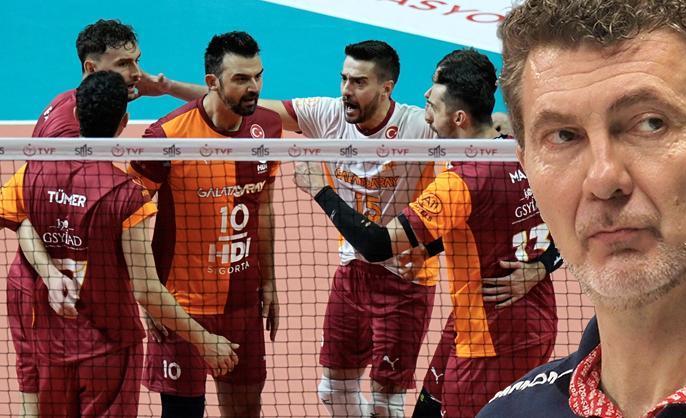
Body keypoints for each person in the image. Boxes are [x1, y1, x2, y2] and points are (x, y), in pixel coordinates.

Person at [477, 0, 686, 417]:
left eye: (651, 123)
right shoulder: (510, 413)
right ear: (526, 166)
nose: (603, 179)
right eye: (563, 136)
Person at [294, 48, 561, 417]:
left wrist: (321, 190)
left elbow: (376, 245)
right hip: (487, 318)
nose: (425, 106)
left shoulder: (461, 182)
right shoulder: (517, 152)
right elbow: (549, 222)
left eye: (432, 103)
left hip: (494, 335)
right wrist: (543, 265)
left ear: (459, 118)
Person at [0, 71, 238, 418]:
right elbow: (146, 289)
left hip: (52, 344)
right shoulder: (127, 197)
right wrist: (206, 340)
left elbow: (21, 222)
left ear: (76, 114)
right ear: (124, 122)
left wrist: (50, 274)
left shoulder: (32, 172)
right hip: (108, 347)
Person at [261, 40, 440, 417]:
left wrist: (436, 245)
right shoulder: (329, 115)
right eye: (344, 79)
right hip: (353, 271)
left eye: (358, 82)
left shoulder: (418, 126)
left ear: (386, 88)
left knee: (386, 405)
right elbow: (248, 107)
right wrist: (167, 88)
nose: (346, 89)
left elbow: (478, 148)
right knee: (333, 390)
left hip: (405, 280)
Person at [128, 31, 282, 418]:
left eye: (258, 76)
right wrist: (150, 298)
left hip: (242, 303)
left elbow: (263, 206)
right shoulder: (165, 136)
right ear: (212, 81)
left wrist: (269, 281)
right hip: (181, 306)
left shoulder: (268, 127)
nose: (254, 87)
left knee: (246, 410)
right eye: (241, 79)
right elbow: (127, 217)